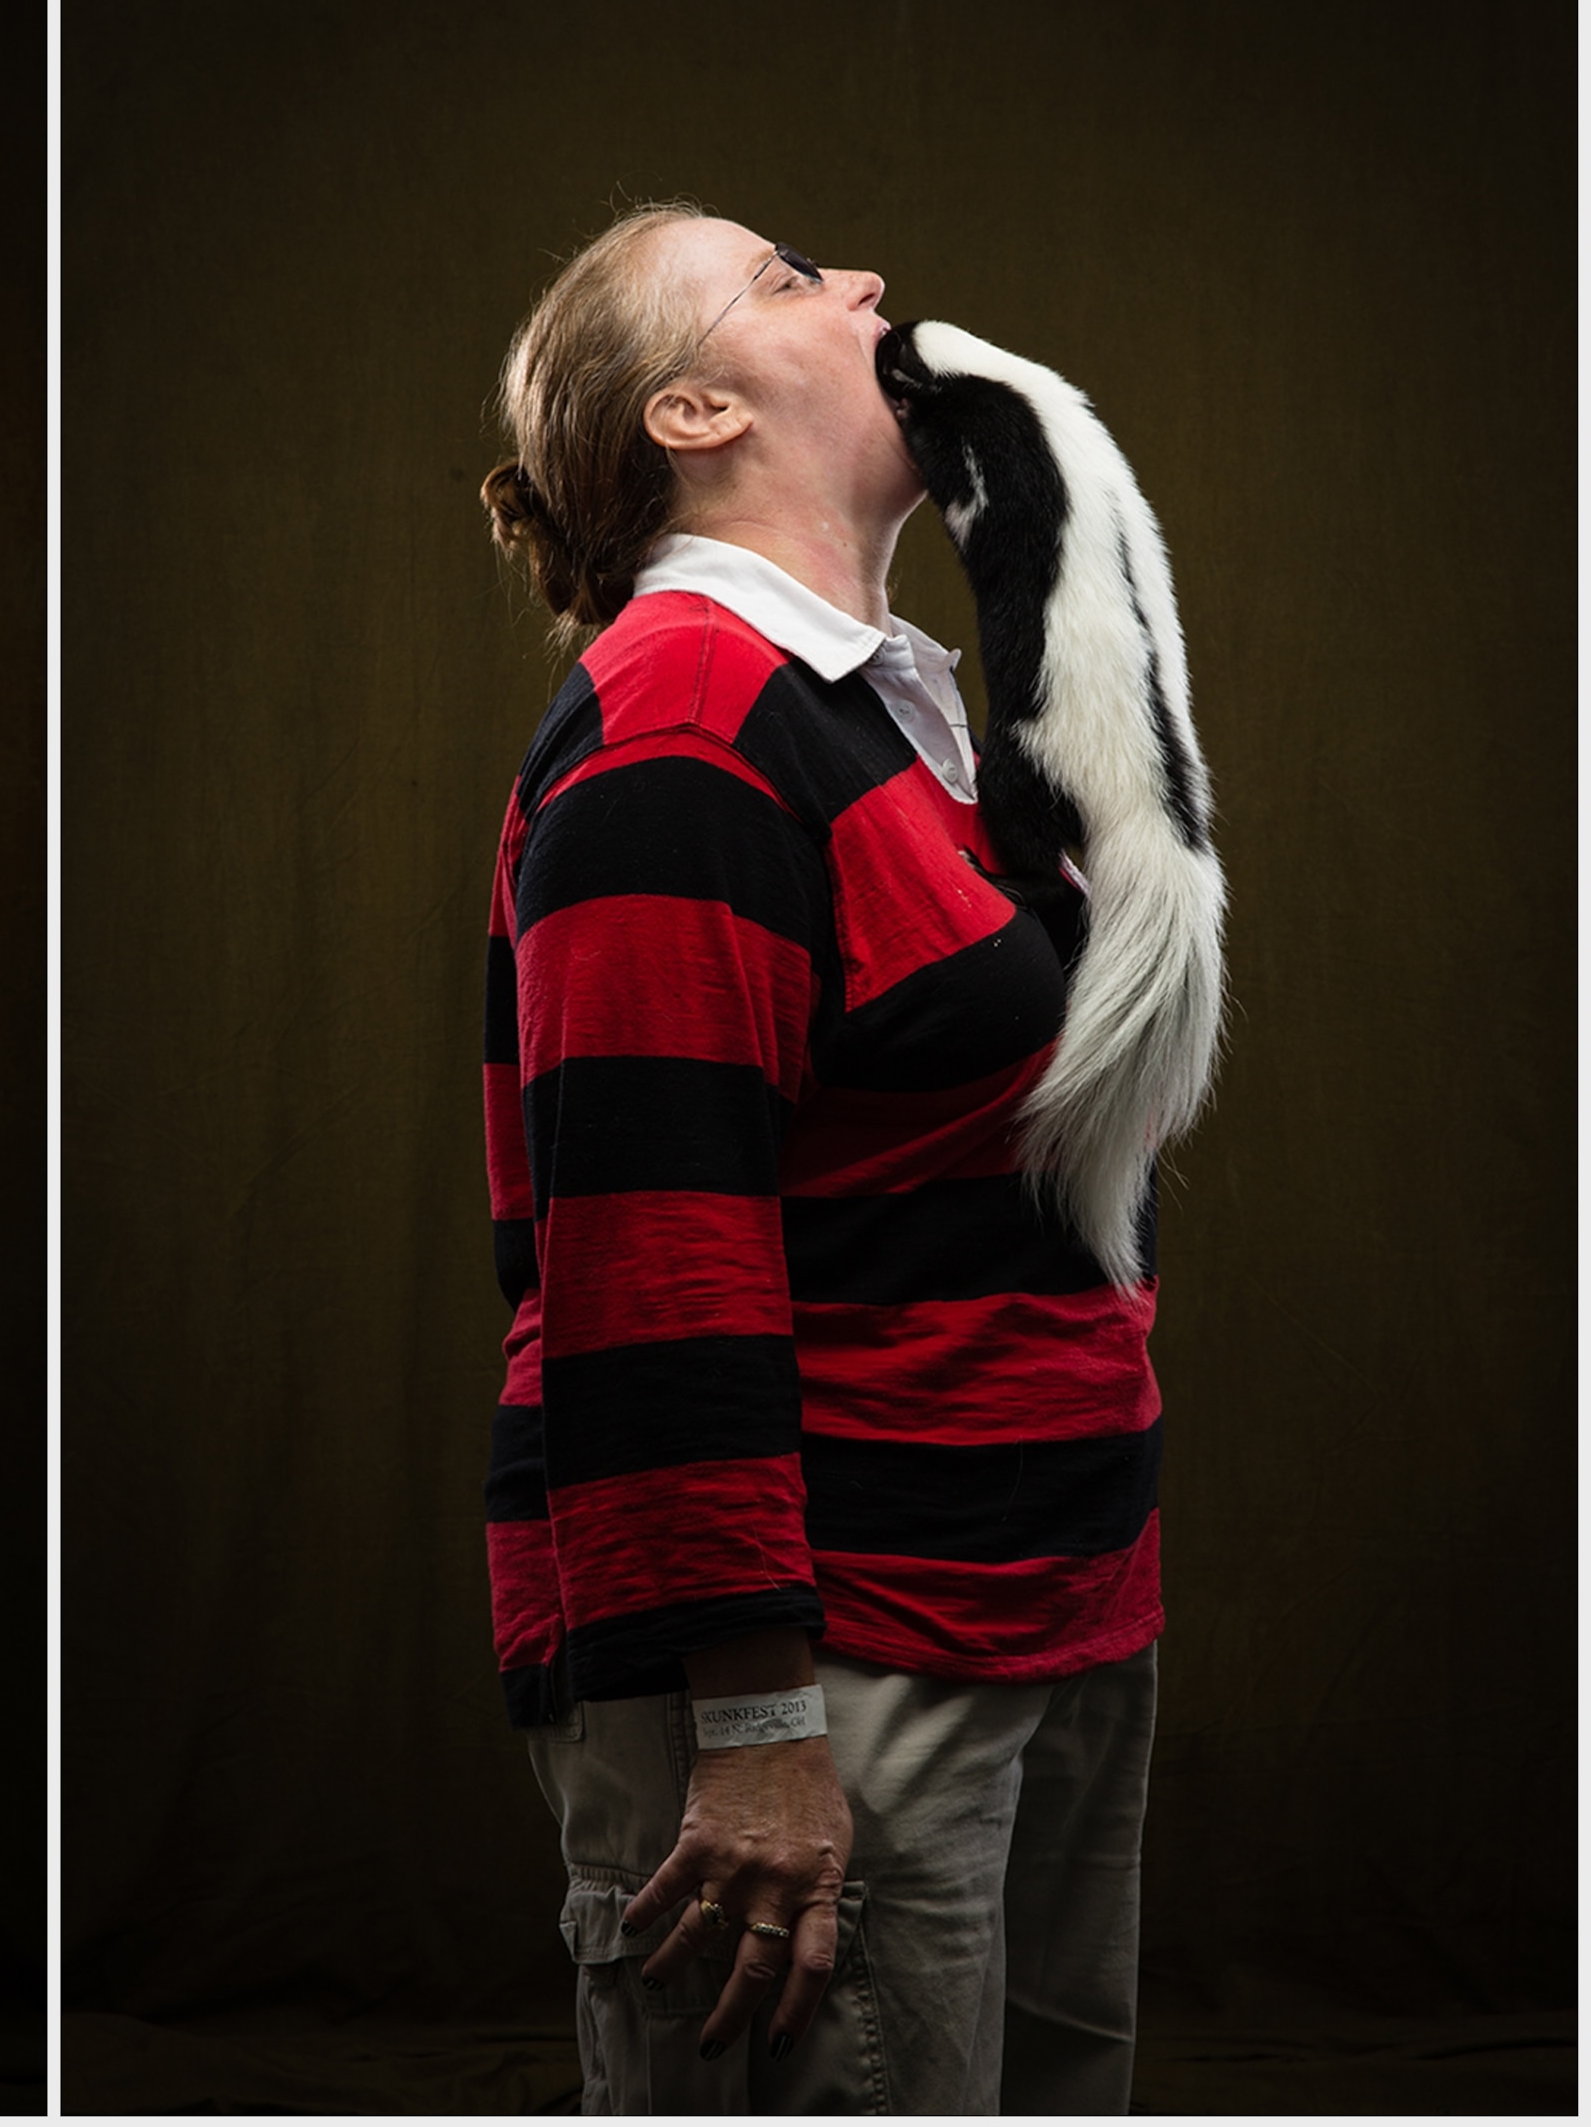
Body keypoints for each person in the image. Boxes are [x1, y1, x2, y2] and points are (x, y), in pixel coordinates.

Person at [476, 205, 1160, 2114]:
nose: (865, 286)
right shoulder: (685, 730)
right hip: (832, 1660)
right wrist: (760, 1720)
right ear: (692, 411)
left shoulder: (893, 717)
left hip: (1029, 1607)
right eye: (785, 279)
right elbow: (647, 1261)